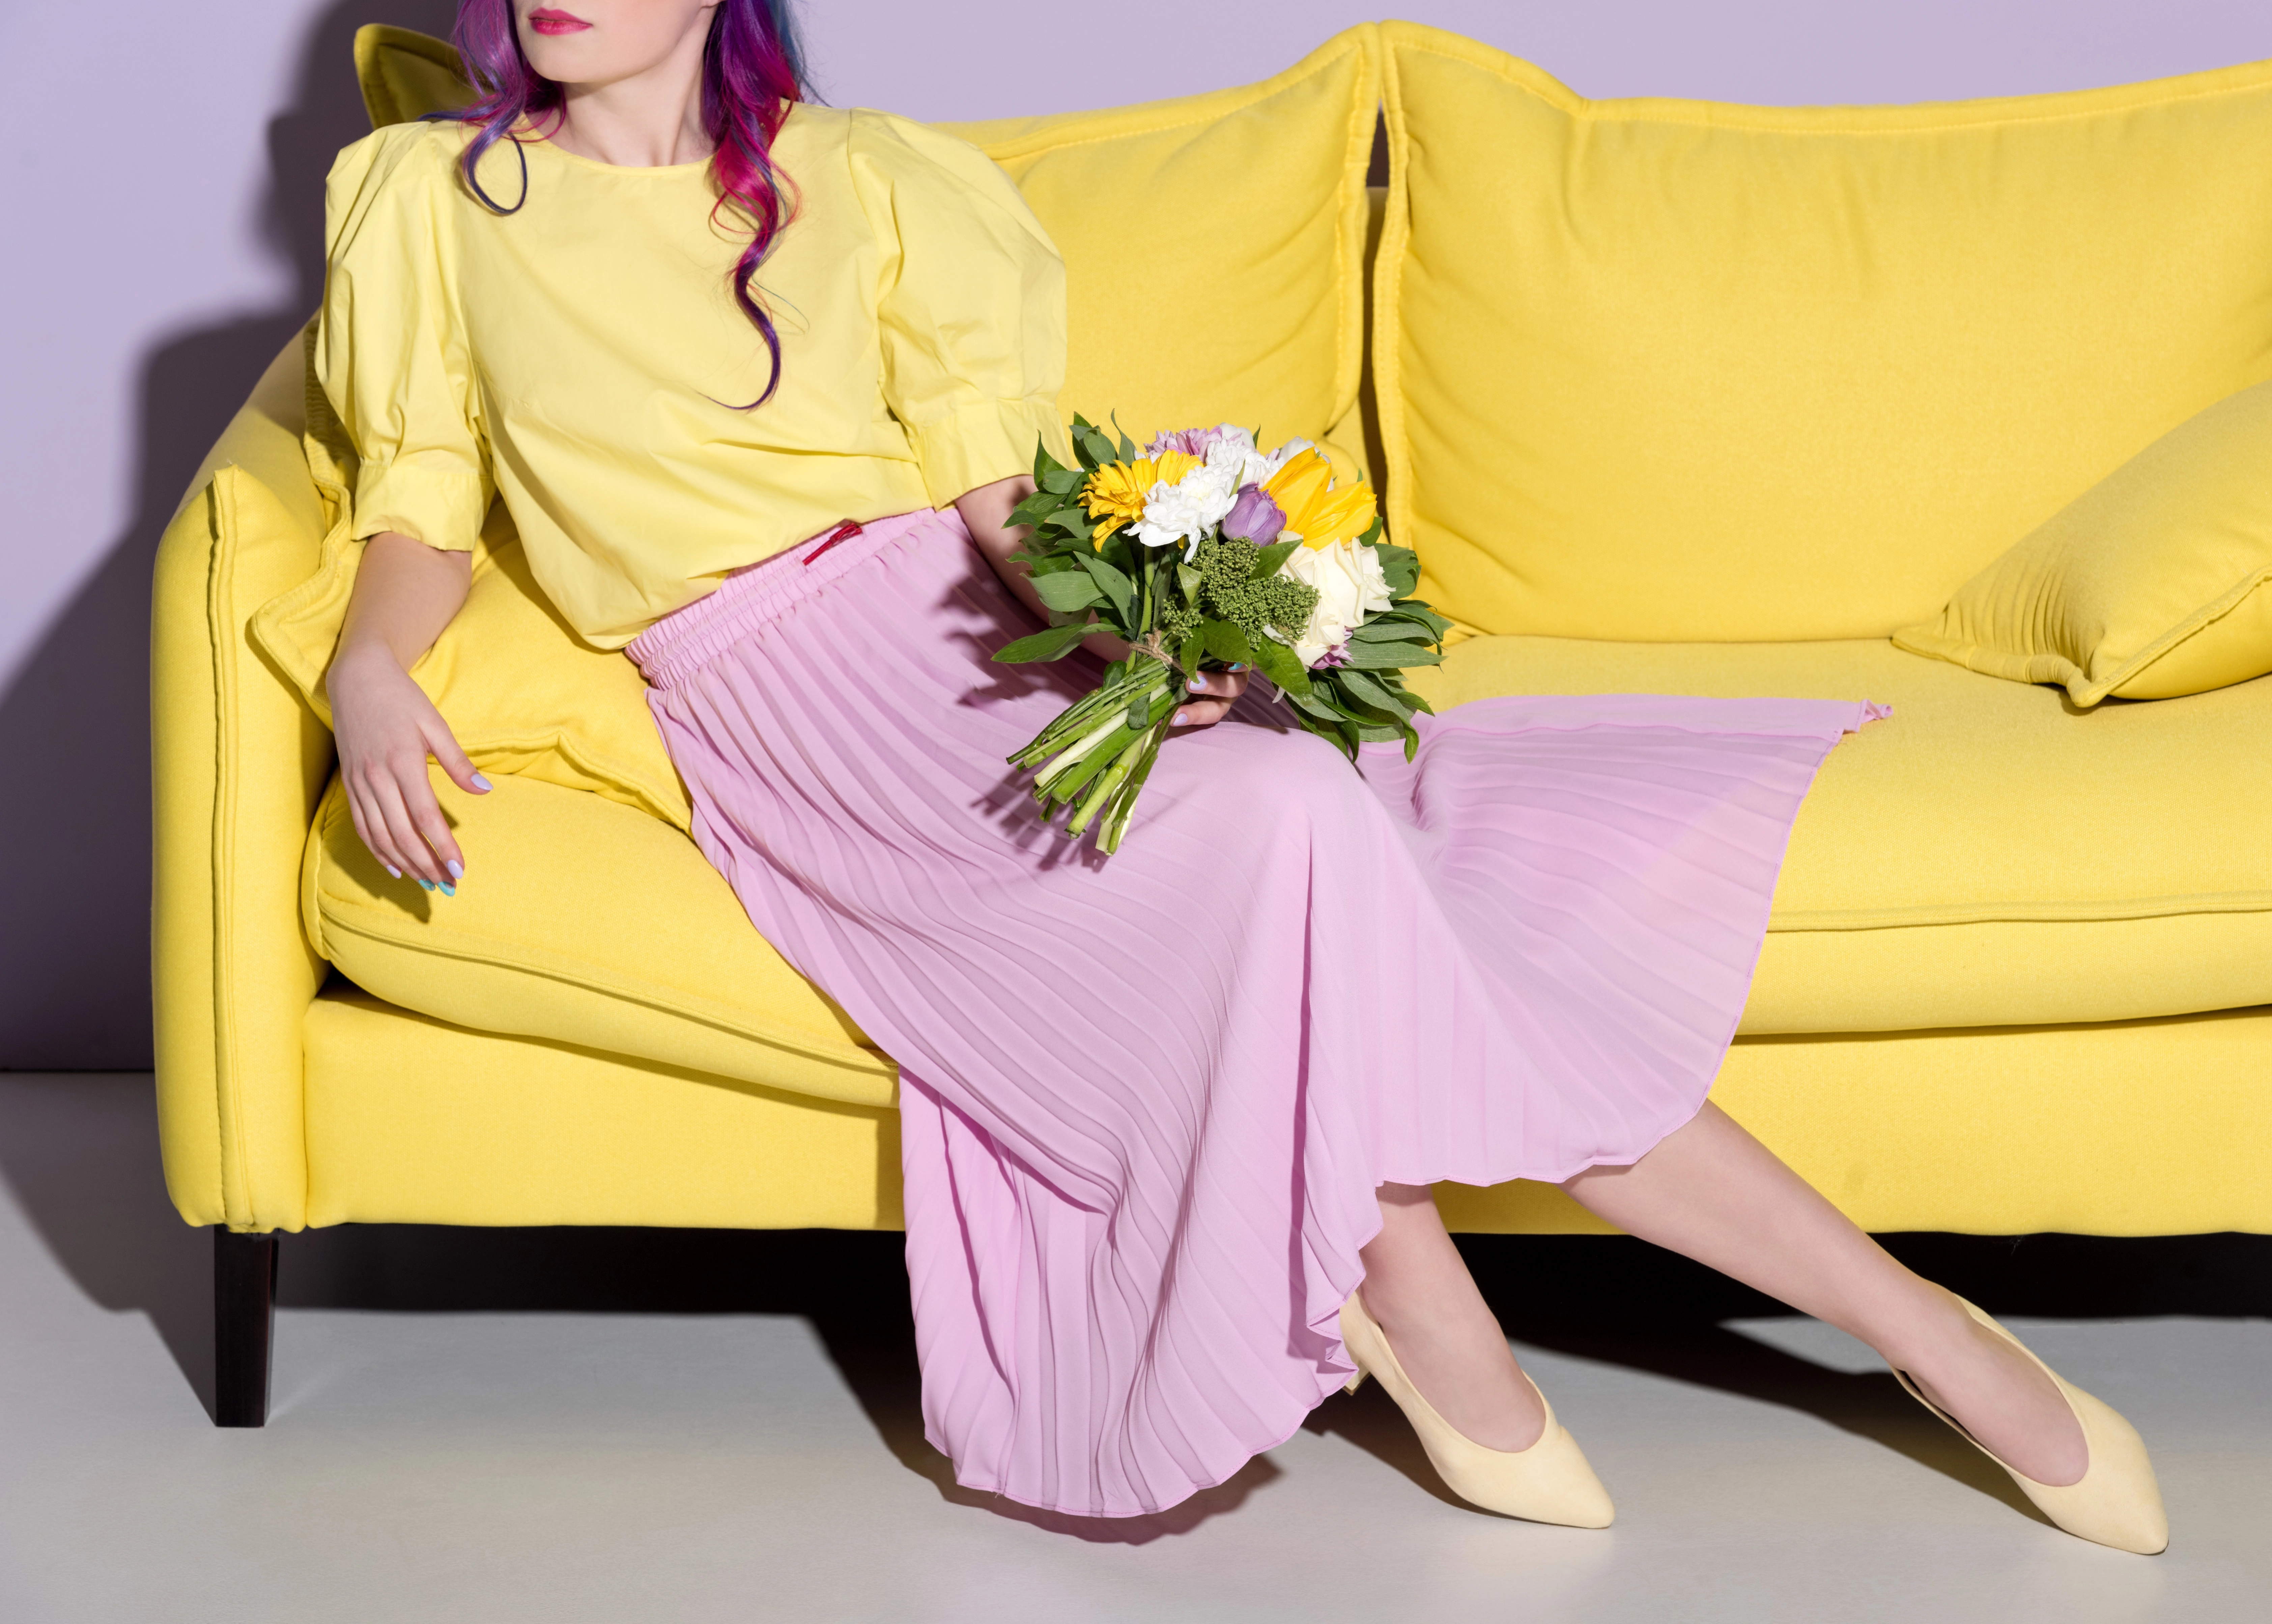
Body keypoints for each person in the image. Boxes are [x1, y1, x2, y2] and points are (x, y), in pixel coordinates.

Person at [321, 0, 2165, 1548]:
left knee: (1316, 821)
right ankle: (1660, 1327)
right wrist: (365, 666)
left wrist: (1131, 628)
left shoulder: (870, 177)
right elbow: (420, 493)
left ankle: (1884, 1326)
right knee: (1302, 828)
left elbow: (983, 491)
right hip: (783, 693)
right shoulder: (428, 192)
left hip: (959, 624)